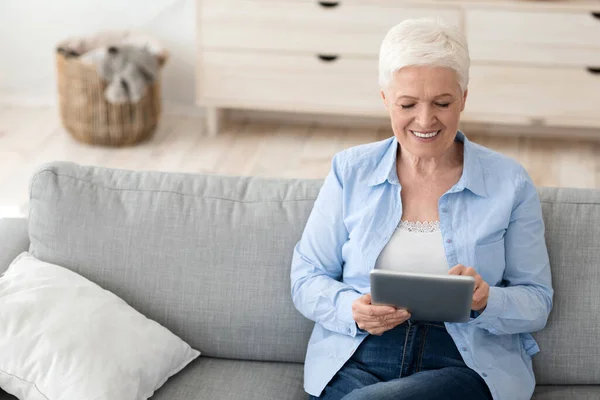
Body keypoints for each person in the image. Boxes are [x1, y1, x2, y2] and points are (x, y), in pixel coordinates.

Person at [290, 18, 553, 400]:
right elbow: (306, 276)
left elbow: (537, 301)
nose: (425, 120)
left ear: (463, 97)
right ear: (385, 99)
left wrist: (485, 300)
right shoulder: (350, 171)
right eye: (407, 104)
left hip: (462, 362)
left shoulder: (509, 182)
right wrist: (351, 309)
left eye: (442, 103)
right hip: (359, 355)